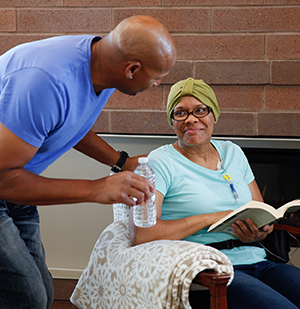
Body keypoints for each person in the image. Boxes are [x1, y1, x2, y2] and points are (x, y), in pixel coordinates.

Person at [0, 15, 176, 308]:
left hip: (15, 182)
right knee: (27, 297)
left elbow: (67, 122)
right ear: (132, 69)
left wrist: (120, 162)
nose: (158, 83)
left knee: (41, 293)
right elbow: (2, 179)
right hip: (6, 180)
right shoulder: (47, 81)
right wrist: (97, 189)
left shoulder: (102, 62)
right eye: (157, 76)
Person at [129, 77, 300, 309]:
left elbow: (261, 210)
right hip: (211, 271)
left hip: (259, 260)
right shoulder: (159, 163)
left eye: (200, 110)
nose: (191, 119)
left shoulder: (233, 152)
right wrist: (211, 218)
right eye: (180, 113)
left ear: (214, 116)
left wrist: (261, 230)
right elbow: (142, 235)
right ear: (172, 120)